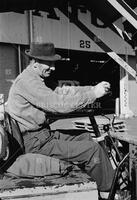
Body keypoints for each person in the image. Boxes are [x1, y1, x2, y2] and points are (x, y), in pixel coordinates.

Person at [6, 42, 114, 200]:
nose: (54, 67)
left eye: (53, 63)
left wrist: (91, 89)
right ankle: (108, 192)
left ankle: (92, 178)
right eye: (49, 63)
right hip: (35, 142)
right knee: (93, 150)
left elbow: (63, 91)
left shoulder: (38, 78)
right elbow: (58, 104)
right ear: (35, 63)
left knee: (85, 136)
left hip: (42, 135)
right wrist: (93, 95)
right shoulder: (28, 82)